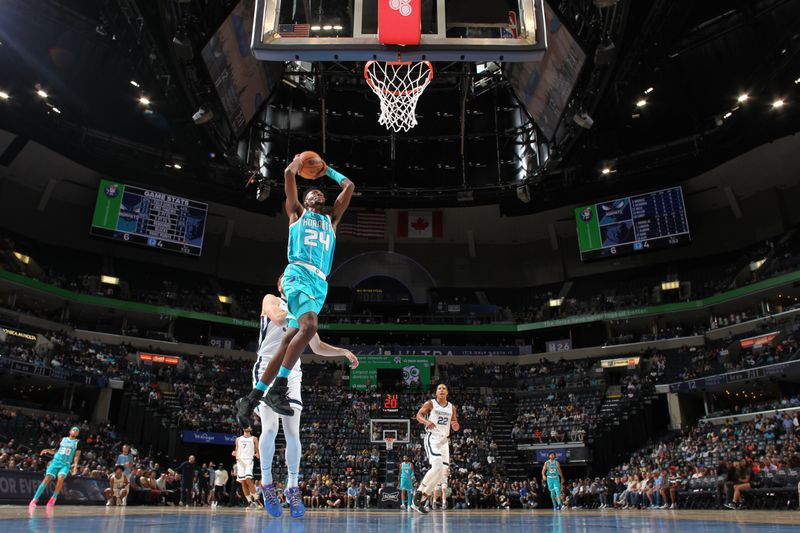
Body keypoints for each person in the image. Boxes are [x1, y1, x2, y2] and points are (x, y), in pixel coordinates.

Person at [236, 154, 355, 420]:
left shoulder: (332, 220)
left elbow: (349, 187)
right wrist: (298, 161)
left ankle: (251, 399)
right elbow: (289, 176)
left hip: (319, 282)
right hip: (297, 273)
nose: (317, 195)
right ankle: (278, 387)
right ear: (304, 199)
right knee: (310, 326)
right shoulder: (297, 212)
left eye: (319, 193)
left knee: (290, 339)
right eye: (311, 192)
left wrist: (328, 170)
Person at [250, 279, 359, 519]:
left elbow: (317, 346)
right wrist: (302, 313)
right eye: (288, 280)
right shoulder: (271, 300)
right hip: (267, 366)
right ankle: (267, 484)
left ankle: (292, 487)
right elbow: (279, 319)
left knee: (293, 433)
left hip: (292, 373)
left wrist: (342, 351)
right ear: (282, 287)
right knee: (269, 429)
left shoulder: (303, 312)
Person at [410, 384, 460, 514]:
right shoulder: (430, 403)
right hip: (433, 438)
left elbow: (455, 424)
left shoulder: (452, 407)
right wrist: (426, 422)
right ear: (436, 392)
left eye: (444, 388)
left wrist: (455, 425)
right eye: (439, 388)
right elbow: (418, 415)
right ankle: (418, 493)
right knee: (437, 466)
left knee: (442, 473)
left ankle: (422, 499)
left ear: (447, 392)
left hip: (444, 441)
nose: (442, 390)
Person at [29, 426, 82, 508]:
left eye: (77, 430)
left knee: (61, 478)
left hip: (65, 464)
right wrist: (47, 450)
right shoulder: (63, 440)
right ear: (70, 431)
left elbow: (76, 456)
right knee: (46, 479)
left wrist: (75, 466)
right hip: (55, 462)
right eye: (74, 429)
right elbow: (55, 451)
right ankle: (34, 499)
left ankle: (53, 498)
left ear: (78, 433)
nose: (75, 431)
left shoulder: (78, 443)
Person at [232, 426, 259, 509]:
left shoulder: (254, 438)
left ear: (251, 429)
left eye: (249, 426)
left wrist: (258, 454)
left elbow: (257, 450)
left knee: (248, 480)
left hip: (249, 461)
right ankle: (249, 502)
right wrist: (234, 452)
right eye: (245, 426)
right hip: (240, 461)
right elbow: (236, 449)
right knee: (243, 482)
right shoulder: (238, 439)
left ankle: (257, 500)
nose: (247, 427)